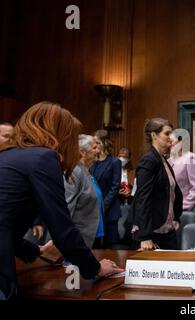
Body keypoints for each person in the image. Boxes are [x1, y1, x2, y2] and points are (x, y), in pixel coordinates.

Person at [0, 102, 122, 300]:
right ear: (61, 135)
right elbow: (62, 226)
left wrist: (36, 250)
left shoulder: (6, 155)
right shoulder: (44, 157)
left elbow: (5, 224)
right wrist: (96, 268)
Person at [129, 118, 183, 250]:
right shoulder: (148, 160)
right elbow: (143, 198)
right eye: (167, 133)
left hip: (167, 230)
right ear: (154, 135)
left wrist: (175, 218)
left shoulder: (163, 159)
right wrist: (145, 236)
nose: (171, 138)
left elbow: (172, 193)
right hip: (152, 233)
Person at [63, 134, 103, 248]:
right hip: (78, 238)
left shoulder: (87, 172)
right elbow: (67, 206)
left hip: (94, 234)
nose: (98, 150)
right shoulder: (75, 171)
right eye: (94, 148)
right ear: (82, 152)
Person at [90, 130, 122, 248]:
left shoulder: (115, 162)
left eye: (97, 142)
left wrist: (103, 205)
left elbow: (115, 187)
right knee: (95, 245)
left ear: (105, 143)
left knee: (110, 246)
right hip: (94, 209)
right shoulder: (93, 162)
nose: (95, 146)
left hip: (109, 209)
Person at [169, 135, 195, 211]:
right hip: (170, 209)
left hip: (184, 210)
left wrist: (183, 206)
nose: (169, 144)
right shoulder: (170, 160)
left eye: (172, 141)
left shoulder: (190, 158)